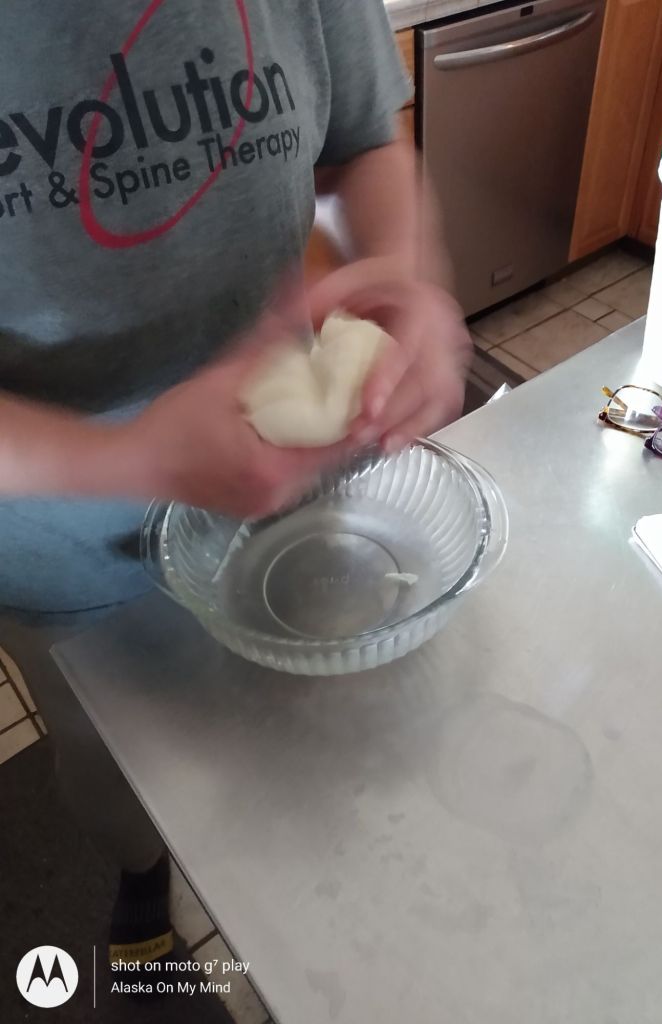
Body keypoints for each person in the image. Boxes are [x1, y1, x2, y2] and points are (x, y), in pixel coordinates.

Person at [0, 0, 469, 975]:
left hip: (298, 491)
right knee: (117, 775)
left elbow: (361, 142)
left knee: (307, 741)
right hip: (64, 555)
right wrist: (127, 459)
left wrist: (403, 278)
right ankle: (139, 873)